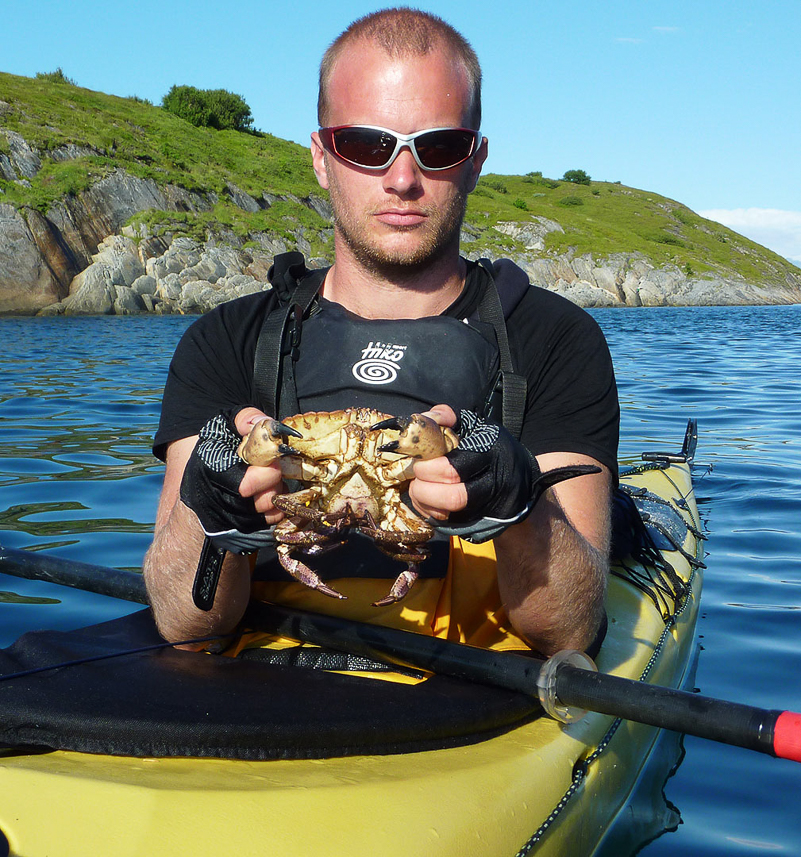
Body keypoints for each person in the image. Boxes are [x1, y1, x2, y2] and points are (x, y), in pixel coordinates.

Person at [143, 8, 619, 658]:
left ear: (475, 159)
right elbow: (181, 621)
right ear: (320, 157)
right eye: (367, 144)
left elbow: (569, 628)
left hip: (480, 696)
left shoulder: (554, 338)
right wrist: (210, 509)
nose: (401, 178)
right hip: (261, 685)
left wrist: (519, 498)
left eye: (438, 146)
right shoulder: (227, 339)